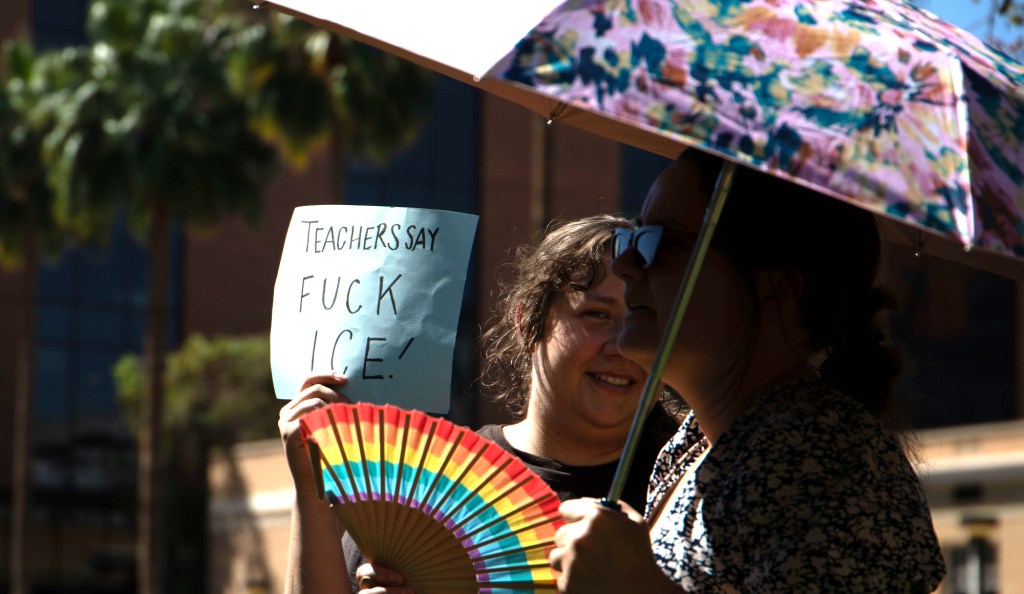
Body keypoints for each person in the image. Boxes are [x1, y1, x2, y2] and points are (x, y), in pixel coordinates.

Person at [548, 150, 947, 593]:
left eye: (663, 242)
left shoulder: (822, 454)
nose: (625, 265)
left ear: (774, 285)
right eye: (634, 238)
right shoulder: (694, 445)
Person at [278, 214, 681, 594]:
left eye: (644, 321)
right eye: (597, 314)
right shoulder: (428, 481)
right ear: (528, 322)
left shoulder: (692, 488)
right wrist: (310, 492)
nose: (624, 345)